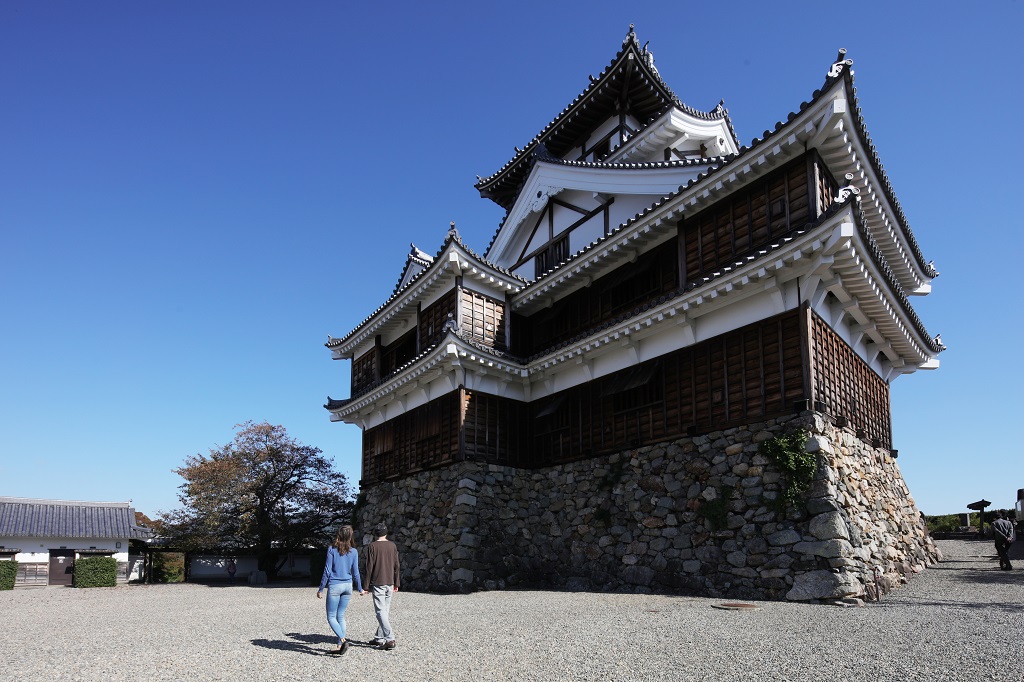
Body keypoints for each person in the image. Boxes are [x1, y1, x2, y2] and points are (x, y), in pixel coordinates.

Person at [317, 525, 365, 654]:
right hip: (348, 586)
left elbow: (327, 570)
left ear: (338, 534)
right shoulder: (354, 551)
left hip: (335, 585)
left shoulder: (332, 549)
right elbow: (356, 572)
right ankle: (339, 645)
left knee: (331, 616)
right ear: (350, 536)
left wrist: (321, 588)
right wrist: (360, 588)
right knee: (341, 616)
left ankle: (343, 641)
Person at [363, 522, 401, 650]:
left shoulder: (372, 546)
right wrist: (396, 582)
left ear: (375, 533)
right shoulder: (392, 546)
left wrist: (366, 586)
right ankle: (379, 638)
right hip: (390, 582)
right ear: (386, 532)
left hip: (378, 582)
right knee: (385, 611)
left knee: (380, 611)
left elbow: (369, 567)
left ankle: (390, 639)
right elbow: (397, 565)